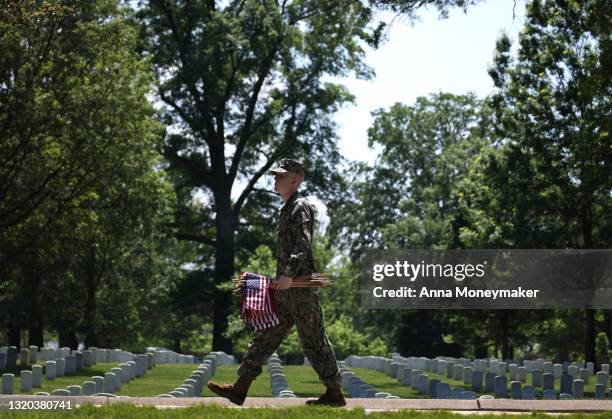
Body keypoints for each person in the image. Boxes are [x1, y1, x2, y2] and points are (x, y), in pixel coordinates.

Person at [207, 158, 345, 406]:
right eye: (276, 175)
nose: (275, 179)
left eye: (281, 176)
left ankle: (334, 393)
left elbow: (304, 243)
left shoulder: (299, 207)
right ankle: (240, 388)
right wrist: (284, 280)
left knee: (314, 341)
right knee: (265, 335)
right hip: (285, 291)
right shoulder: (285, 208)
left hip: (300, 291)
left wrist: (289, 274)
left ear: (295, 180)